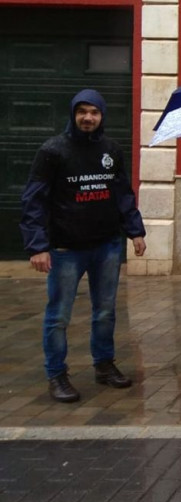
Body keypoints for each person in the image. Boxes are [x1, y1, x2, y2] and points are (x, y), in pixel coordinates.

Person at [20, 89, 147, 403]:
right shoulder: (53, 151)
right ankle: (56, 374)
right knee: (59, 316)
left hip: (106, 246)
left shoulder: (111, 150)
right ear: (73, 114)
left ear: (102, 115)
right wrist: (38, 246)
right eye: (82, 112)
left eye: (94, 112)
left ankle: (104, 365)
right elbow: (34, 201)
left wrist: (135, 230)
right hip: (65, 250)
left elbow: (123, 194)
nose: (88, 117)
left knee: (105, 312)